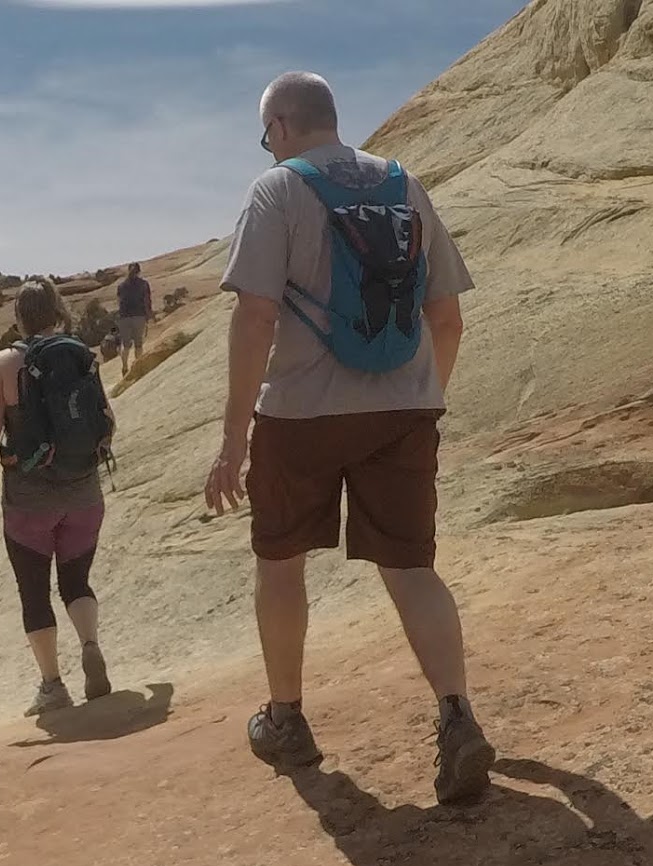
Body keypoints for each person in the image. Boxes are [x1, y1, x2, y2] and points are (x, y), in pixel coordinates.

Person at [204, 70, 496, 804]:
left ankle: (288, 721)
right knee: (410, 567)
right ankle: (457, 717)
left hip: (299, 417)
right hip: (402, 410)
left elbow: (257, 318)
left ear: (279, 127)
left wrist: (233, 438)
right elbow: (448, 318)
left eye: (265, 134)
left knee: (281, 562)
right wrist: (421, 400)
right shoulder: (405, 184)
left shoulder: (276, 191)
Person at [0, 278, 116, 716]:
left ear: (18, 316)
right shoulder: (79, 355)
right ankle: (90, 644)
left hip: (29, 501)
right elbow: (108, 421)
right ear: (58, 310)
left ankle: (53, 686)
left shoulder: (1, 364)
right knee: (76, 581)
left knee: (34, 592)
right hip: (84, 493)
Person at [115, 262, 154, 373]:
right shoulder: (144, 284)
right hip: (139, 316)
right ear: (139, 271)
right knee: (138, 344)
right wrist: (149, 315)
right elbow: (147, 300)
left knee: (126, 345)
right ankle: (138, 366)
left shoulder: (121, 286)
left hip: (124, 317)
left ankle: (125, 367)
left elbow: (119, 302)